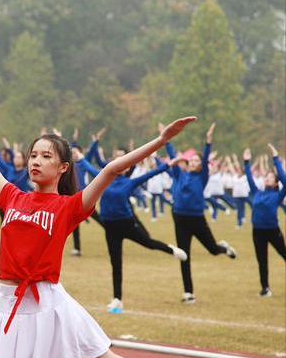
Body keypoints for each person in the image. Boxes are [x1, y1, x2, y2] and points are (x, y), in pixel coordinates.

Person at [0, 104, 195, 358]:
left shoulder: (68, 207)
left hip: (47, 308)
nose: (36, 161)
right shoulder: (11, 196)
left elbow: (112, 169)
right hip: (5, 303)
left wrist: (161, 141)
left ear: (63, 167)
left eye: (46, 156)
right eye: (33, 155)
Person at [99, 154, 188, 314]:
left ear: (127, 169)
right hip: (110, 227)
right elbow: (87, 165)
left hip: (127, 224)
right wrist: (79, 157)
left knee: (148, 243)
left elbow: (150, 174)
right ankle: (117, 299)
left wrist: (168, 165)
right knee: (116, 263)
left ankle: (172, 250)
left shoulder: (129, 182)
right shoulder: (103, 178)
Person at [163, 123, 237, 304]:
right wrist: (165, 138)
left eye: (198, 161)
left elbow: (205, 161)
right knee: (184, 254)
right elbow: (172, 157)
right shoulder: (180, 174)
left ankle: (224, 248)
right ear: (188, 163)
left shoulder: (202, 176)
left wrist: (208, 140)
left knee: (212, 249)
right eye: (193, 161)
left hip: (197, 218)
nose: (195, 163)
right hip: (180, 218)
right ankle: (188, 293)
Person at [243, 144, 286, 297]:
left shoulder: (278, 195)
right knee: (262, 260)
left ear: (275, 182)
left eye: (270, 177)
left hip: (273, 231)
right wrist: (246, 162)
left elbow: (285, 180)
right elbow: (249, 178)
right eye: (266, 177)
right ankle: (265, 288)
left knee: (284, 254)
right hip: (257, 231)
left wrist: (276, 159)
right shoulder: (257, 193)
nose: (267, 178)